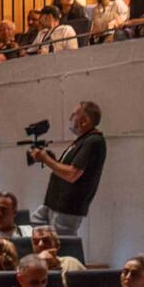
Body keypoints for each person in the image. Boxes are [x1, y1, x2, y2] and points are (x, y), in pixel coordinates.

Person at [26, 100, 105, 237]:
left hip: (66, 208)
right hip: (52, 204)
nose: (70, 118)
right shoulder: (82, 140)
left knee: (60, 247)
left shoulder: (93, 141)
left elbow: (72, 174)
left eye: (74, 115)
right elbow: (66, 169)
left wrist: (46, 159)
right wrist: (51, 159)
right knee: (34, 231)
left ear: (85, 121)